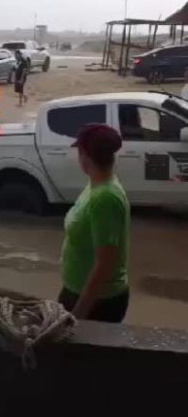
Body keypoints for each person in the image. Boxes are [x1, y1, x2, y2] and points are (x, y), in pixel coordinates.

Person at [58, 123, 130, 323]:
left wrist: (78, 314)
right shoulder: (97, 185)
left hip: (98, 301)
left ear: (84, 156)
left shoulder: (105, 198)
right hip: (77, 290)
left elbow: (105, 264)